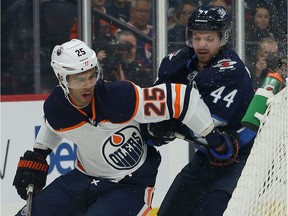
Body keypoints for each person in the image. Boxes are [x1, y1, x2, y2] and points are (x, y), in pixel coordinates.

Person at [12, 38, 235, 216]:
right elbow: (53, 124)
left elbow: (182, 99)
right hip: (83, 177)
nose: (89, 85)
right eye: (79, 80)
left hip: (131, 184)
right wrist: (39, 153)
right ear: (61, 79)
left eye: (92, 76)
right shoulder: (56, 107)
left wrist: (213, 137)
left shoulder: (121, 98)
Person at [149, 6, 256, 216]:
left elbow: (204, 124)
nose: (201, 45)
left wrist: (168, 124)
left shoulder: (231, 71)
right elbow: (157, 100)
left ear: (223, 38)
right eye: (197, 38)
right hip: (207, 158)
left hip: (240, 159)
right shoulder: (178, 62)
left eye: (209, 38)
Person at [126, 0, 153, 74]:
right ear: (132, 12)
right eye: (140, 11)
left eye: (146, 11)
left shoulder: (156, 32)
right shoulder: (123, 31)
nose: (143, 14)